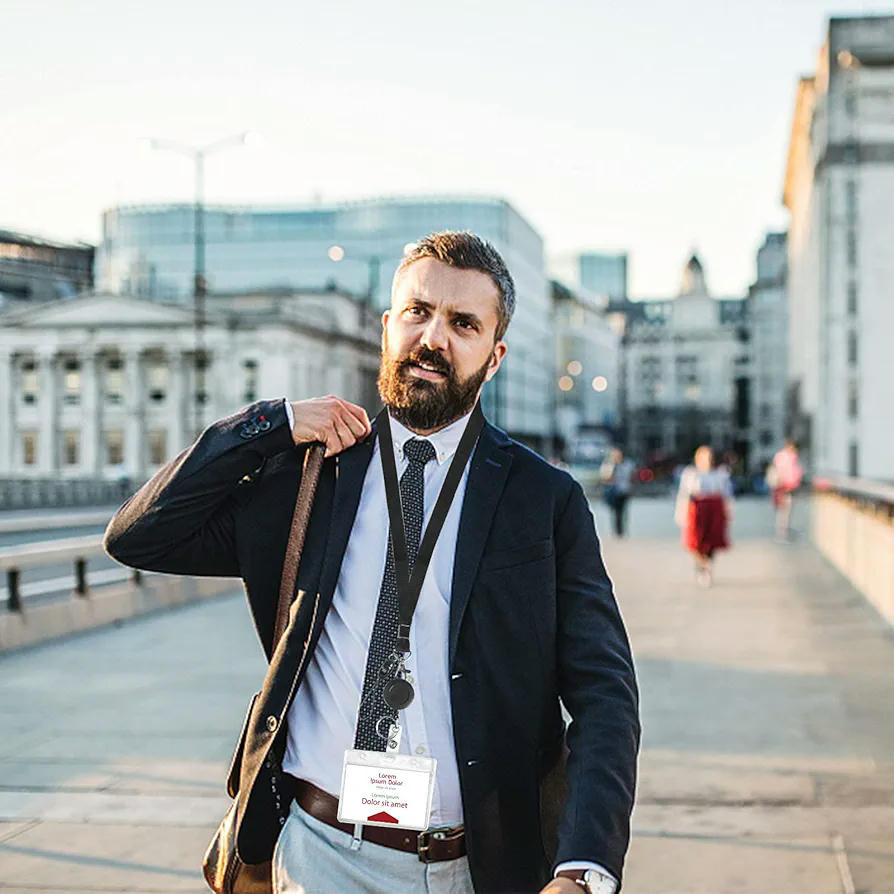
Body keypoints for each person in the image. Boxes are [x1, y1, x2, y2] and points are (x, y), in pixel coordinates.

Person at [104, 232, 639, 894]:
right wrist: (272, 423)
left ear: (494, 358)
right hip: (320, 855)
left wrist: (585, 868)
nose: (433, 337)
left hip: (480, 868)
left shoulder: (543, 499)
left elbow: (605, 692)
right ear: (388, 328)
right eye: (417, 312)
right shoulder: (311, 477)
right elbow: (137, 536)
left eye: (462, 323)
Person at [674, 445, 733, 587]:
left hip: (714, 510)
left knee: (711, 542)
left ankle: (707, 567)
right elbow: (684, 494)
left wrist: (728, 512)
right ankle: (701, 566)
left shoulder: (720, 474)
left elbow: (727, 494)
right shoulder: (690, 474)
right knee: (696, 542)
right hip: (697, 510)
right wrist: (681, 513)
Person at [768, 439, 803, 542]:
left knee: (783, 511)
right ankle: (783, 533)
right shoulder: (787, 457)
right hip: (786, 487)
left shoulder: (780, 457)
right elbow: (789, 473)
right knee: (785, 510)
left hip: (783, 487)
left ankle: (782, 532)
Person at [599, 448, 636, 537]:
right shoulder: (609, 464)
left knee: (623, 511)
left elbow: (632, 476)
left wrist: (632, 487)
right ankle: (617, 531)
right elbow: (604, 477)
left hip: (624, 490)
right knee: (616, 511)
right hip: (613, 491)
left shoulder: (628, 464)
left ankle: (622, 530)